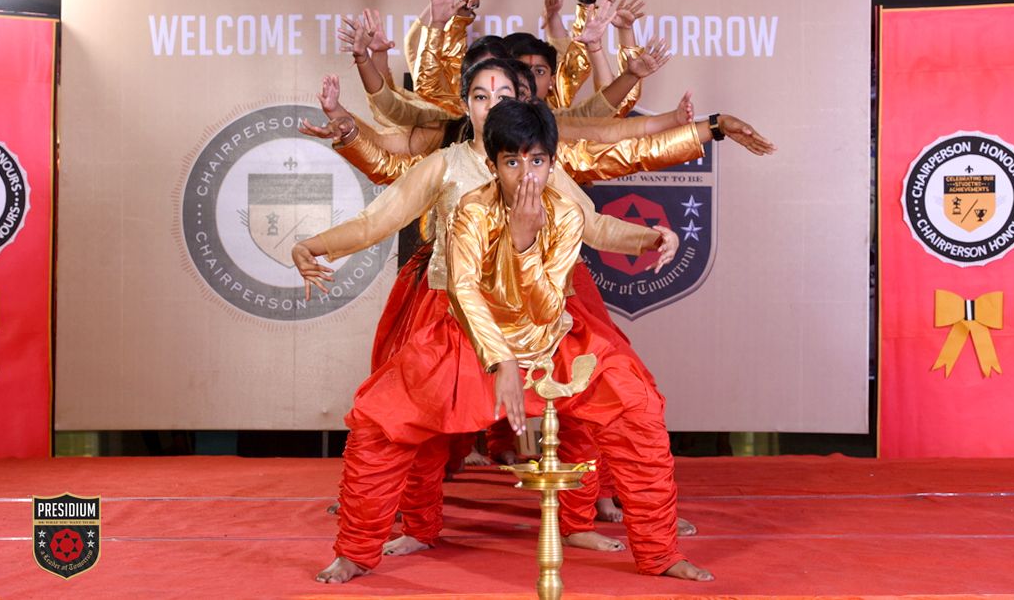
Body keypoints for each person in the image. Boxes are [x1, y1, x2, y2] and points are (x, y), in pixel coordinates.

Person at [300, 96, 714, 583]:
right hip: (470, 338)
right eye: (512, 162)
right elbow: (463, 291)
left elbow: (545, 307)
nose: (526, 175)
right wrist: (502, 361)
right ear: (493, 166)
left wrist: (528, 242)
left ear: (552, 163)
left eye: (536, 161)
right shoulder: (471, 212)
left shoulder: (566, 214)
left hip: (552, 339)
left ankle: (660, 552)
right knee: (379, 420)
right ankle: (356, 551)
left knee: (637, 406)